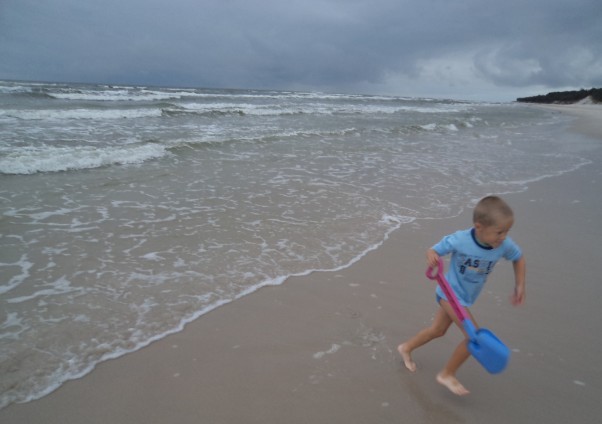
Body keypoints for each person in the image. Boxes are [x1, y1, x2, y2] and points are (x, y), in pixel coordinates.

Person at [398, 195, 526, 396]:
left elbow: (518, 258)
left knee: (437, 331)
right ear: (479, 227)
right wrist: (431, 256)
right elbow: (433, 250)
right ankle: (447, 374)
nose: (503, 237)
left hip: (465, 298)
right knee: (474, 336)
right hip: (449, 294)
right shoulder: (460, 239)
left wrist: (519, 285)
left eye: (507, 232)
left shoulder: (503, 245)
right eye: (499, 232)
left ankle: (405, 347)